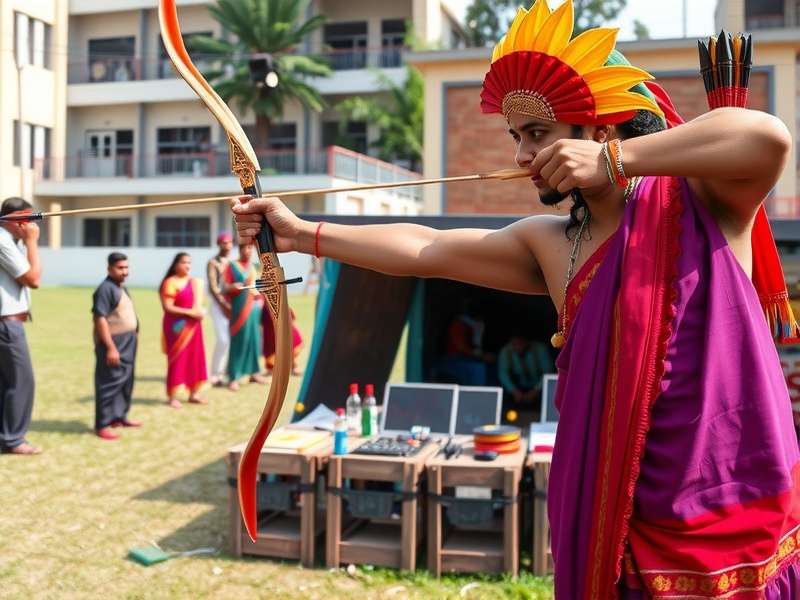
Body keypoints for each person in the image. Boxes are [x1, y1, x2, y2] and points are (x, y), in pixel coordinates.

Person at [230, 1, 800, 596]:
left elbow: (766, 138)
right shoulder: (554, 244)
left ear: (600, 130)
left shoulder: (703, 202)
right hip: (623, 520)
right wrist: (301, 234)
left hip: (733, 513)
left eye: (538, 134)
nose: (522, 156)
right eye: (518, 137)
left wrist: (614, 161)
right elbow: (427, 248)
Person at [0, 197, 41, 455]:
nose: (31, 224)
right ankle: (14, 440)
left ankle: (6, 437)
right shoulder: (3, 241)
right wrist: (32, 242)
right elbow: (33, 279)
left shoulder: (10, 242)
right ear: (14, 220)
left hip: (8, 323)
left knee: (7, 383)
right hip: (7, 325)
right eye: (27, 218)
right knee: (22, 381)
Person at [92, 252, 140, 440]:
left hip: (128, 341)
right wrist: (111, 348)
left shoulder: (121, 287)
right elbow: (100, 319)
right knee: (109, 382)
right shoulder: (105, 289)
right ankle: (102, 424)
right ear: (109, 269)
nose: (125, 271)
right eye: (120, 268)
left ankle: (119, 417)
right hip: (113, 343)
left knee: (126, 380)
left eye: (126, 267)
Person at [160, 252, 208, 409]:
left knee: (195, 358)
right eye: (183, 262)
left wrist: (199, 312)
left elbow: (198, 305)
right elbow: (168, 307)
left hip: (194, 327)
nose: (187, 265)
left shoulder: (195, 283)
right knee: (177, 359)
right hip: (176, 327)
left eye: (189, 263)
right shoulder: (170, 282)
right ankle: (172, 396)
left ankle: (194, 394)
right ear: (176, 265)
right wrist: (190, 313)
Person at [223, 243, 267, 391]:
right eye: (245, 248)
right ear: (240, 250)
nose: (248, 251)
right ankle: (233, 376)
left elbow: (260, 285)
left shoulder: (255, 266)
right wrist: (234, 286)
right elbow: (225, 287)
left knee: (254, 339)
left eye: (250, 248)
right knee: (239, 339)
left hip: (255, 308)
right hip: (240, 308)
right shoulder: (232, 266)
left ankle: (254, 372)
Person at [497, 334, 552, 410]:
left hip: (537, 386)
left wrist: (536, 390)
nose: (517, 347)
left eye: (520, 343)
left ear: (527, 342)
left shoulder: (540, 349)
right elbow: (503, 374)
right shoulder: (506, 351)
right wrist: (514, 391)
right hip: (516, 387)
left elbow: (548, 373)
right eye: (514, 344)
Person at [207, 232, 233, 386]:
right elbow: (213, 287)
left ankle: (228, 372)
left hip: (233, 304)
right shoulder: (213, 263)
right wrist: (224, 305)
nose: (227, 245)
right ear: (218, 244)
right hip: (219, 305)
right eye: (224, 242)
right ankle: (215, 374)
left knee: (232, 339)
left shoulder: (233, 262)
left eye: (229, 242)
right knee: (223, 340)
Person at [262, 307, 303, 376]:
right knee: (270, 337)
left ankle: (293, 365)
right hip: (267, 309)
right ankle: (271, 367)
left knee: (288, 336)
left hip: (279, 308)